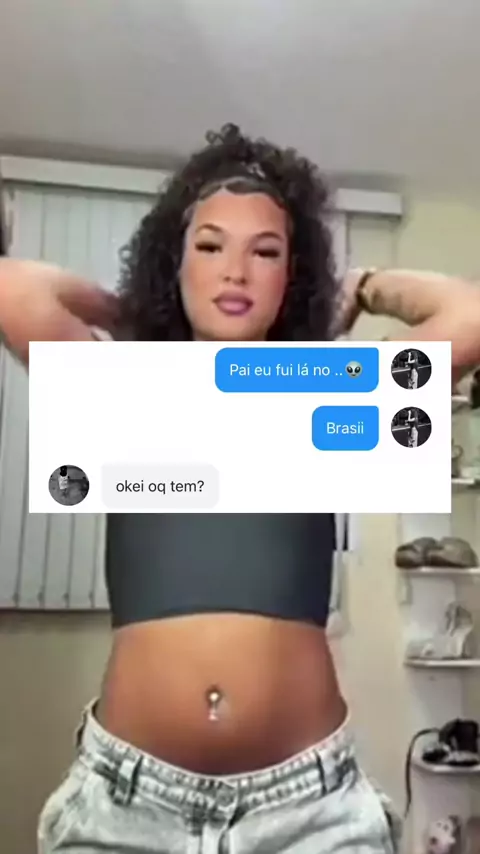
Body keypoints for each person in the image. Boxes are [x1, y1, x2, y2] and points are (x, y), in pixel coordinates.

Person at [2, 124, 480, 854]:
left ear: (293, 276)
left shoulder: (324, 394)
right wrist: (130, 311)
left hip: (310, 812)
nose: (236, 271)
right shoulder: (125, 391)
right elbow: (13, 290)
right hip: (127, 807)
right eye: (209, 246)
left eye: (266, 252)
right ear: (176, 263)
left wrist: (363, 286)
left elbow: (471, 317)